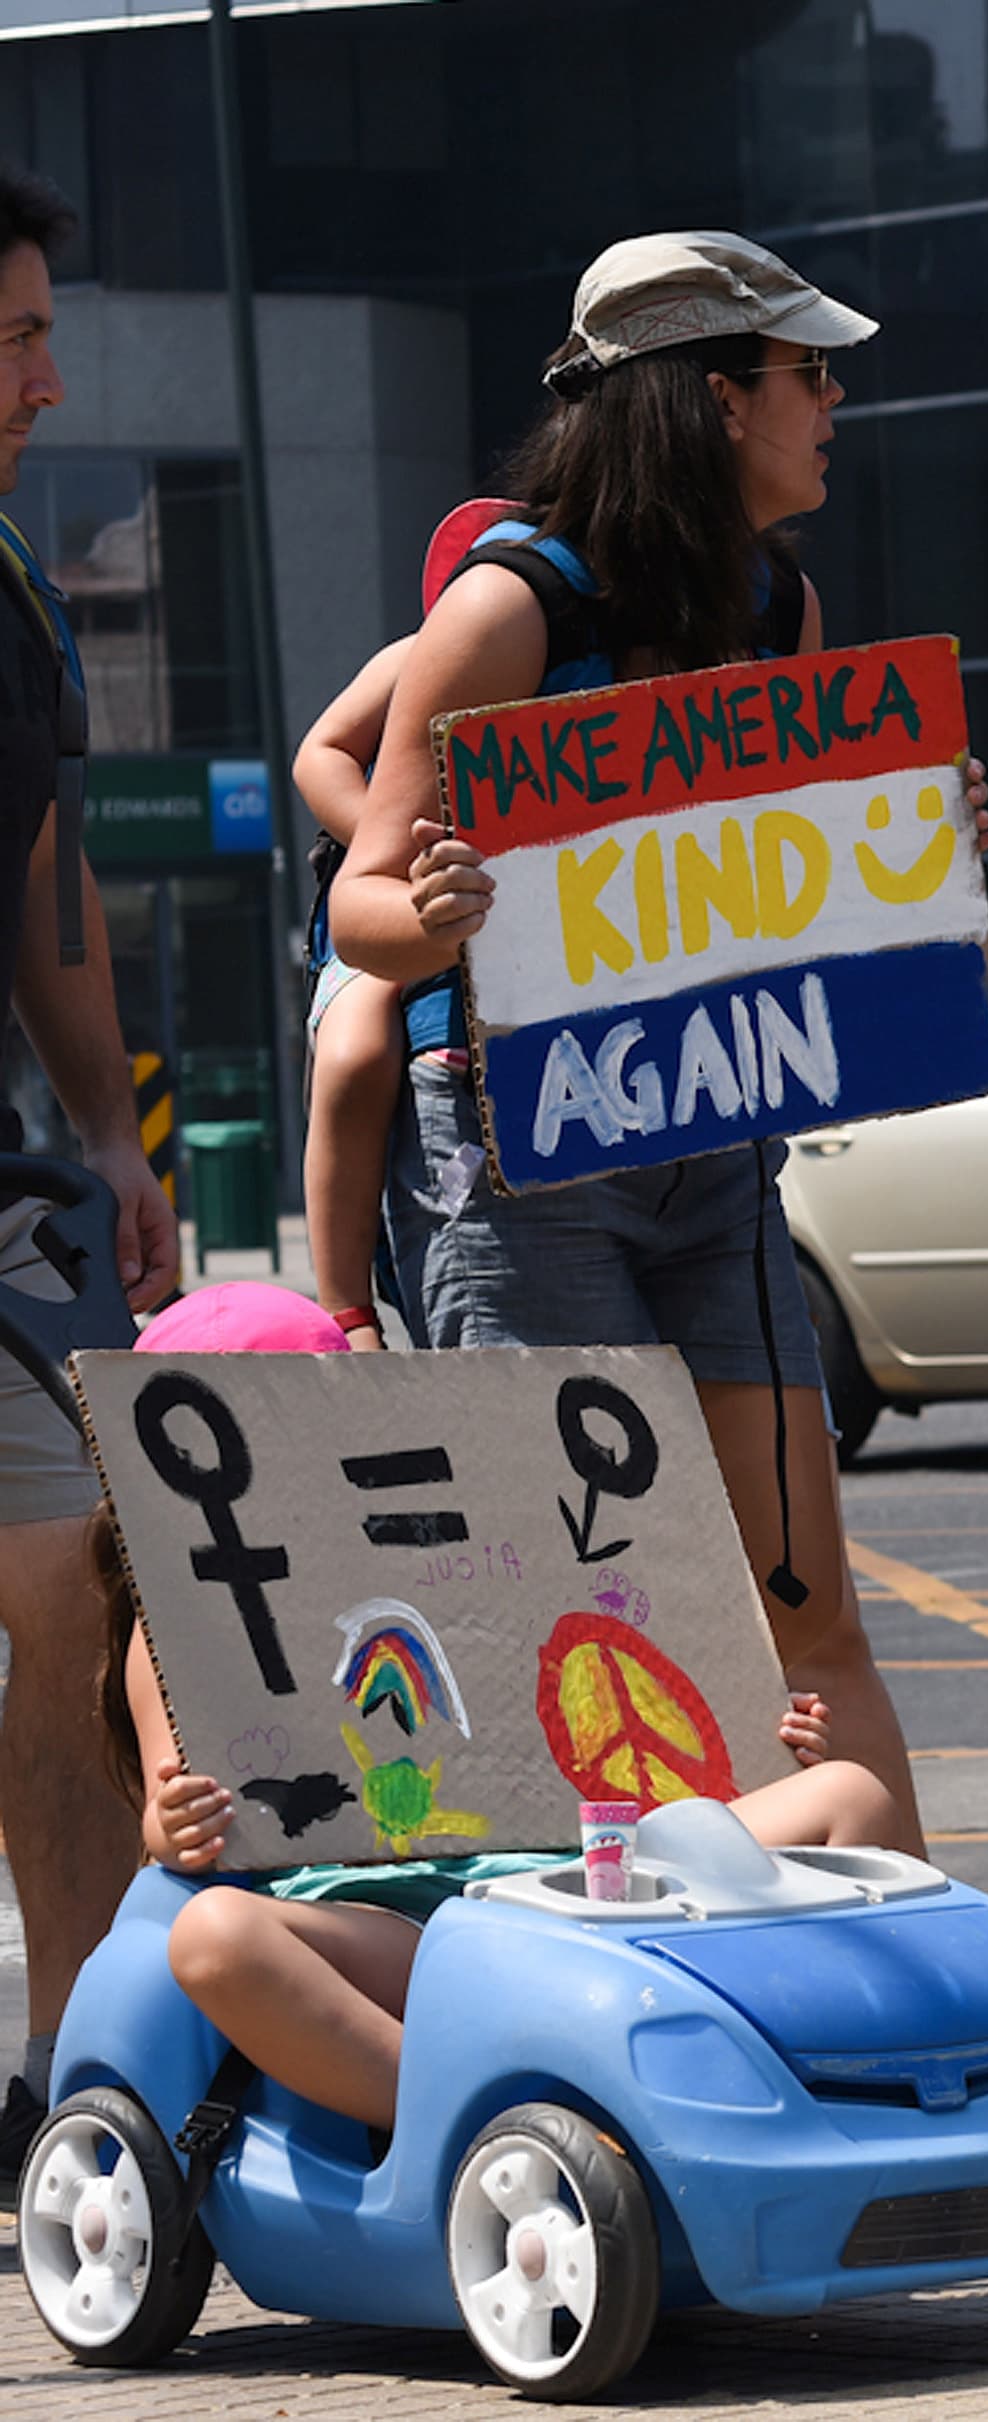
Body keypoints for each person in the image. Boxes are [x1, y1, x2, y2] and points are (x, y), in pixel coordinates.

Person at [327, 232, 932, 1857]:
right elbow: (363, 911)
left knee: (808, 1610)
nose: (835, 400)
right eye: (810, 373)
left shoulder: (775, 600)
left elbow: (775, 902)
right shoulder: (509, 612)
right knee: (591, 1620)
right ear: (718, 399)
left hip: (715, 1151)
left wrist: (898, 850)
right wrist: (438, 904)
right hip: (524, 1159)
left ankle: (896, 1979)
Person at [106, 1281, 898, 2133]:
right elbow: (170, 1817)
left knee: (850, 1793)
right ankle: (471, 2121)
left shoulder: (471, 1534)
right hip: (392, 1924)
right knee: (214, 1937)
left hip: (587, 1878)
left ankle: (839, 2064)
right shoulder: (170, 1634)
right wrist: (176, 1823)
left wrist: (772, 1741)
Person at [0, 160, 182, 2183]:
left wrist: (116, 1136)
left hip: (4, 1200)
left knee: (73, 1589)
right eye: (21, 335)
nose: (51, 376)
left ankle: (70, 2091)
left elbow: (50, 903)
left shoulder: (20, 593)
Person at [291, 638, 411, 1347]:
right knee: (359, 1046)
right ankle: (346, 1305)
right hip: (390, 909)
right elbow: (321, 752)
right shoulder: (438, 644)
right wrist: (386, 844)